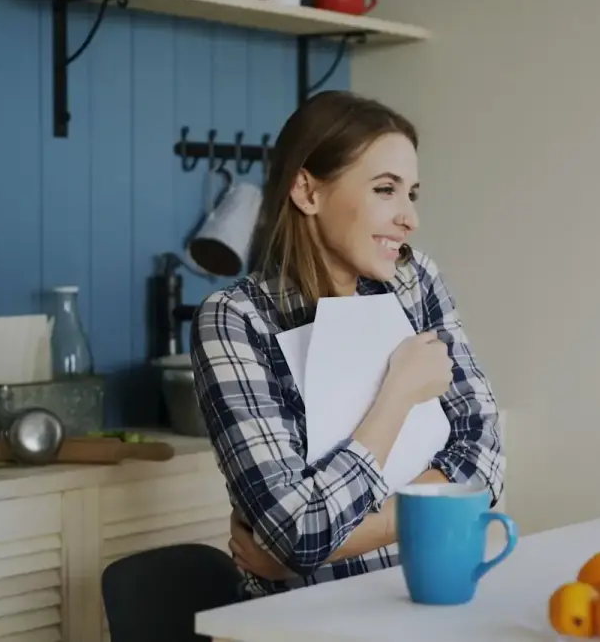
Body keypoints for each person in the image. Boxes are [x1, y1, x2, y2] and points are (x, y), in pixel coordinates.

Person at [189, 90, 505, 599]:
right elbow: (299, 531)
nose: (410, 218)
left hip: (428, 596)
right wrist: (397, 396)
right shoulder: (235, 320)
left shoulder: (414, 280)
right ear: (307, 192)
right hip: (305, 621)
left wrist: (339, 538)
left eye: (412, 193)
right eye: (386, 189)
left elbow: (486, 462)